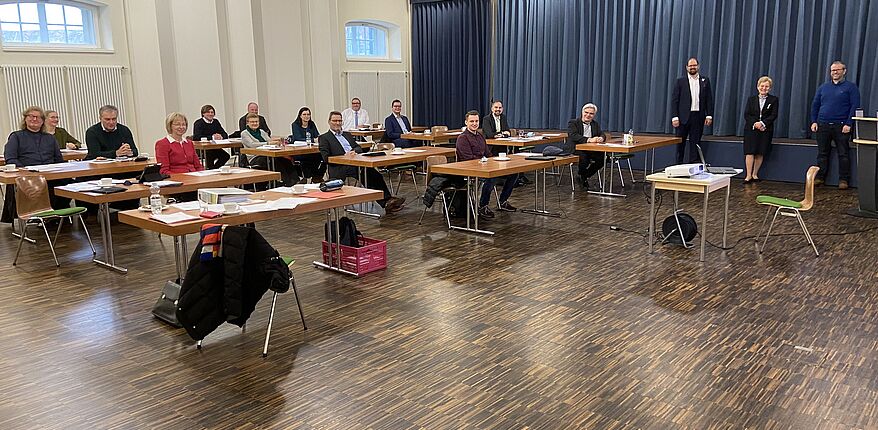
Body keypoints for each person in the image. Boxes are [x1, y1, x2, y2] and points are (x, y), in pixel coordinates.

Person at [318, 111, 406, 213]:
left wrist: (353, 151)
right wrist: (344, 156)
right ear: (329, 122)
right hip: (340, 166)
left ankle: (388, 200)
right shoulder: (324, 138)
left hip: (356, 162)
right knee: (366, 173)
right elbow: (326, 158)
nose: (337, 123)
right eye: (335, 121)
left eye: (339, 121)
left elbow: (358, 147)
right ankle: (386, 202)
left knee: (375, 174)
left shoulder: (347, 134)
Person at [3, 106, 69, 211]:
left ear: (43, 121)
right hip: (28, 176)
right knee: (43, 185)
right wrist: (27, 170)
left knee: (70, 183)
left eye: (38, 117)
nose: (34, 119)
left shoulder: (50, 138)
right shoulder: (16, 136)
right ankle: (46, 215)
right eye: (31, 116)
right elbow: (11, 158)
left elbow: (58, 159)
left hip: (51, 174)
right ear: (25, 119)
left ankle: (60, 214)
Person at [456, 110, 517, 219]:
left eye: (476, 121)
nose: (474, 124)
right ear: (466, 123)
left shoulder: (480, 136)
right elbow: (468, 159)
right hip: (470, 170)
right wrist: (484, 161)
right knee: (491, 178)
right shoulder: (462, 138)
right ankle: (483, 206)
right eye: (471, 121)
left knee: (513, 174)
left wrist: (495, 161)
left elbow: (488, 154)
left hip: (484, 167)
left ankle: (502, 201)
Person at [810, 60, 861, 189]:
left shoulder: (851, 87)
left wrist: (849, 123)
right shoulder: (823, 87)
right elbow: (815, 105)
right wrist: (814, 121)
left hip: (842, 126)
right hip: (823, 125)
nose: (835, 72)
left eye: (838, 70)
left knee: (843, 154)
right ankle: (820, 177)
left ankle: (844, 180)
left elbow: (855, 106)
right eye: (833, 70)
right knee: (822, 153)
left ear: (844, 71)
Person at [671, 57, 714, 164]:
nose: (692, 67)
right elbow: (674, 100)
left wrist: (709, 115)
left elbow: (709, 99)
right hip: (683, 118)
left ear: (698, 66)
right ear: (686, 67)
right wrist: (675, 117)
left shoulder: (705, 80)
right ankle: (678, 165)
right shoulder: (680, 81)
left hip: (698, 117)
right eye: (690, 66)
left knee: (695, 143)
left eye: (694, 65)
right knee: (680, 144)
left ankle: (693, 166)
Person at [240, 113, 296, 186]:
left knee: (284, 159)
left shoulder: (262, 132)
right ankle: (285, 182)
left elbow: (270, 141)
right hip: (255, 157)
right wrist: (268, 143)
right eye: (252, 122)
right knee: (275, 161)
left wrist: (275, 143)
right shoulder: (244, 133)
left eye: (256, 122)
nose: (255, 123)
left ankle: (295, 180)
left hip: (268, 154)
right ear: (247, 123)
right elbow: (252, 145)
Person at [742, 76, 779, 183]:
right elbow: (747, 114)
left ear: (770, 88)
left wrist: (763, 123)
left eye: (767, 86)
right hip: (751, 129)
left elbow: (774, 115)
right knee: (750, 152)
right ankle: (748, 175)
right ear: (758, 87)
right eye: (762, 86)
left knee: (760, 152)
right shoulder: (751, 99)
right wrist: (755, 124)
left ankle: (755, 174)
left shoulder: (774, 100)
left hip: (765, 130)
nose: (764, 88)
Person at [566, 103, 607, 189]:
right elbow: (573, 135)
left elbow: (602, 134)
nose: (588, 115)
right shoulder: (573, 122)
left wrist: (601, 138)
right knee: (584, 158)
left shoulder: (595, 124)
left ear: (594, 115)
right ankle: (583, 178)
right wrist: (589, 140)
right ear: (582, 112)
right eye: (586, 112)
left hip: (590, 149)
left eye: (591, 113)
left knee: (603, 158)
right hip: (575, 148)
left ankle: (584, 176)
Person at [290, 106, 325, 183]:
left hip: (312, 149)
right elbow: (298, 138)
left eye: (308, 114)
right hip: (300, 151)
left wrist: (317, 139)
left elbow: (317, 135)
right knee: (308, 158)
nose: (306, 116)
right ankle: (308, 176)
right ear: (300, 116)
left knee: (322, 156)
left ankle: (317, 176)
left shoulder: (312, 124)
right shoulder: (295, 125)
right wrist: (313, 140)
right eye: (304, 114)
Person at [192, 104, 230, 169]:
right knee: (210, 156)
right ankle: (212, 170)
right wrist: (212, 137)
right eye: (208, 112)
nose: (210, 114)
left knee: (226, 156)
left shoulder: (216, 122)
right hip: (204, 149)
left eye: (212, 112)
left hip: (215, 147)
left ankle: (215, 169)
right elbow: (196, 137)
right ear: (203, 114)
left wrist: (220, 136)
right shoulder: (198, 123)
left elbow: (225, 134)